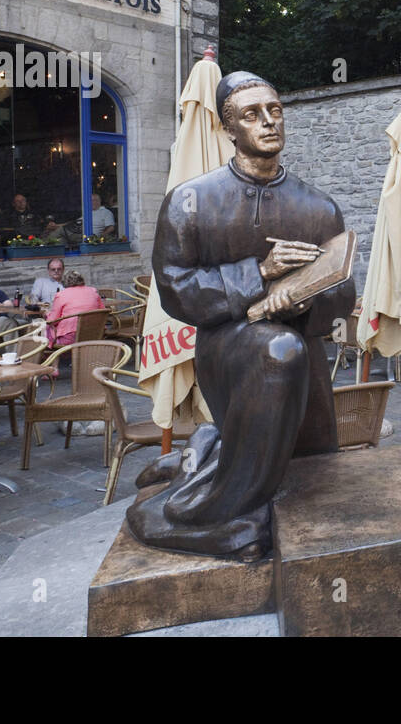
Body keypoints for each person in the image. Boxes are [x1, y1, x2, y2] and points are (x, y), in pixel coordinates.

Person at [126, 70, 355, 559]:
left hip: (303, 352)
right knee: (277, 348)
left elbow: (344, 290)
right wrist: (258, 274)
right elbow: (175, 290)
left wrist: (307, 296)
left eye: (275, 111)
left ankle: (214, 452)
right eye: (252, 115)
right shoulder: (191, 201)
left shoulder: (318, 207)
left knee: (314, 472)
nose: (269, 122)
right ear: (229, 129)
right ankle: (219, 506)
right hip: (229, 347)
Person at [45, 270, 105, 348]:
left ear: (64, 282)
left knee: (46, 328)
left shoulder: (61, 295)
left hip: (71, 337)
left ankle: (48, 356)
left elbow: (52, 321)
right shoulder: (93, 291)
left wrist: (47, 314)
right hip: (94, 334)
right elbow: (103, 312)